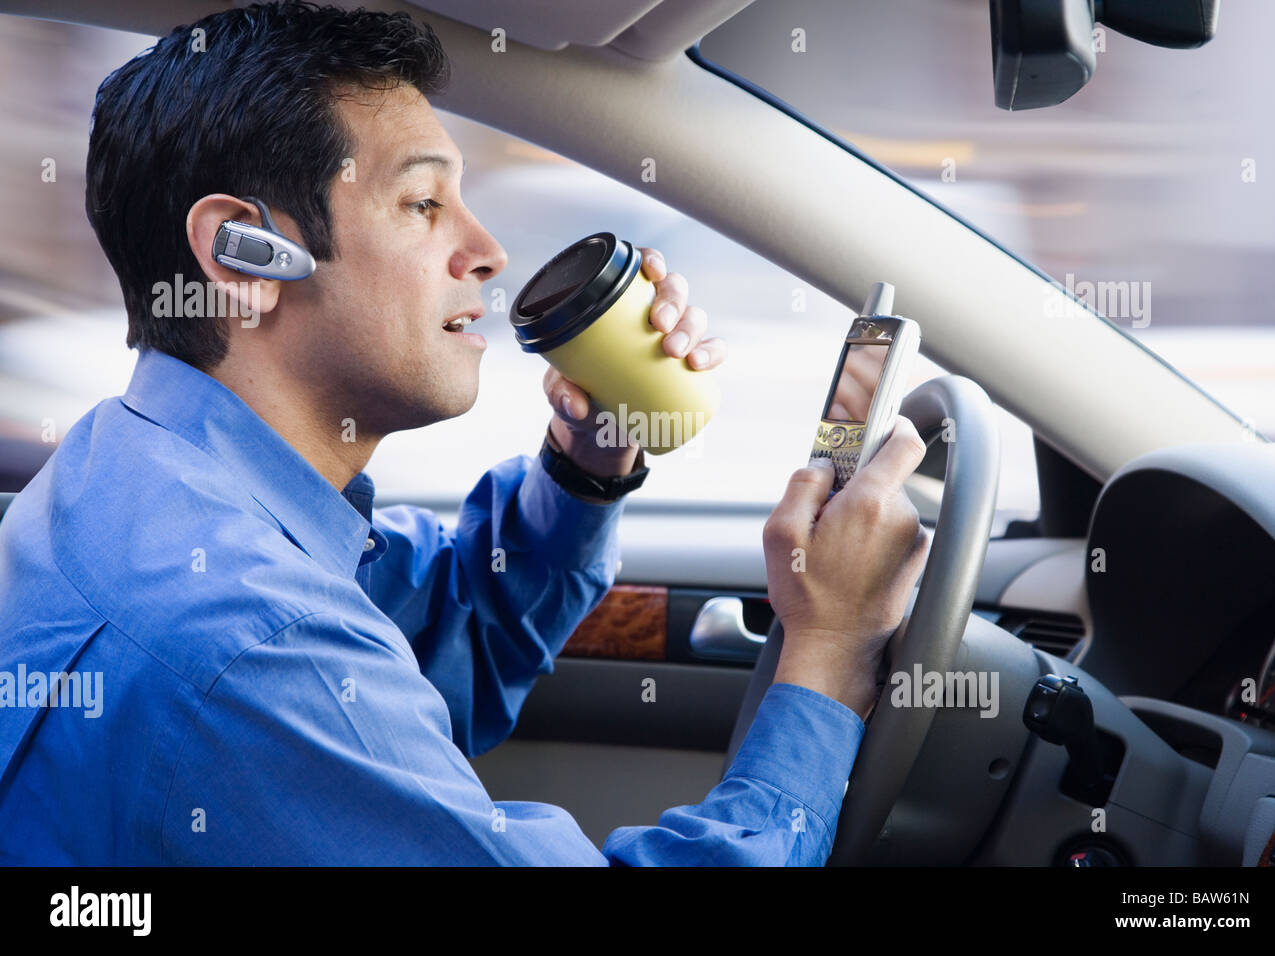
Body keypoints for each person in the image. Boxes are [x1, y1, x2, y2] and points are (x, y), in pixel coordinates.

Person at [0, 1, 928, 865]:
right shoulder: (250, 642)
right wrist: (828, 652)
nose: (488, 250)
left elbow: (454, 632)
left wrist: (588, 461)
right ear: (242, 255)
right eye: (422, 204)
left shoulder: (136, 473)